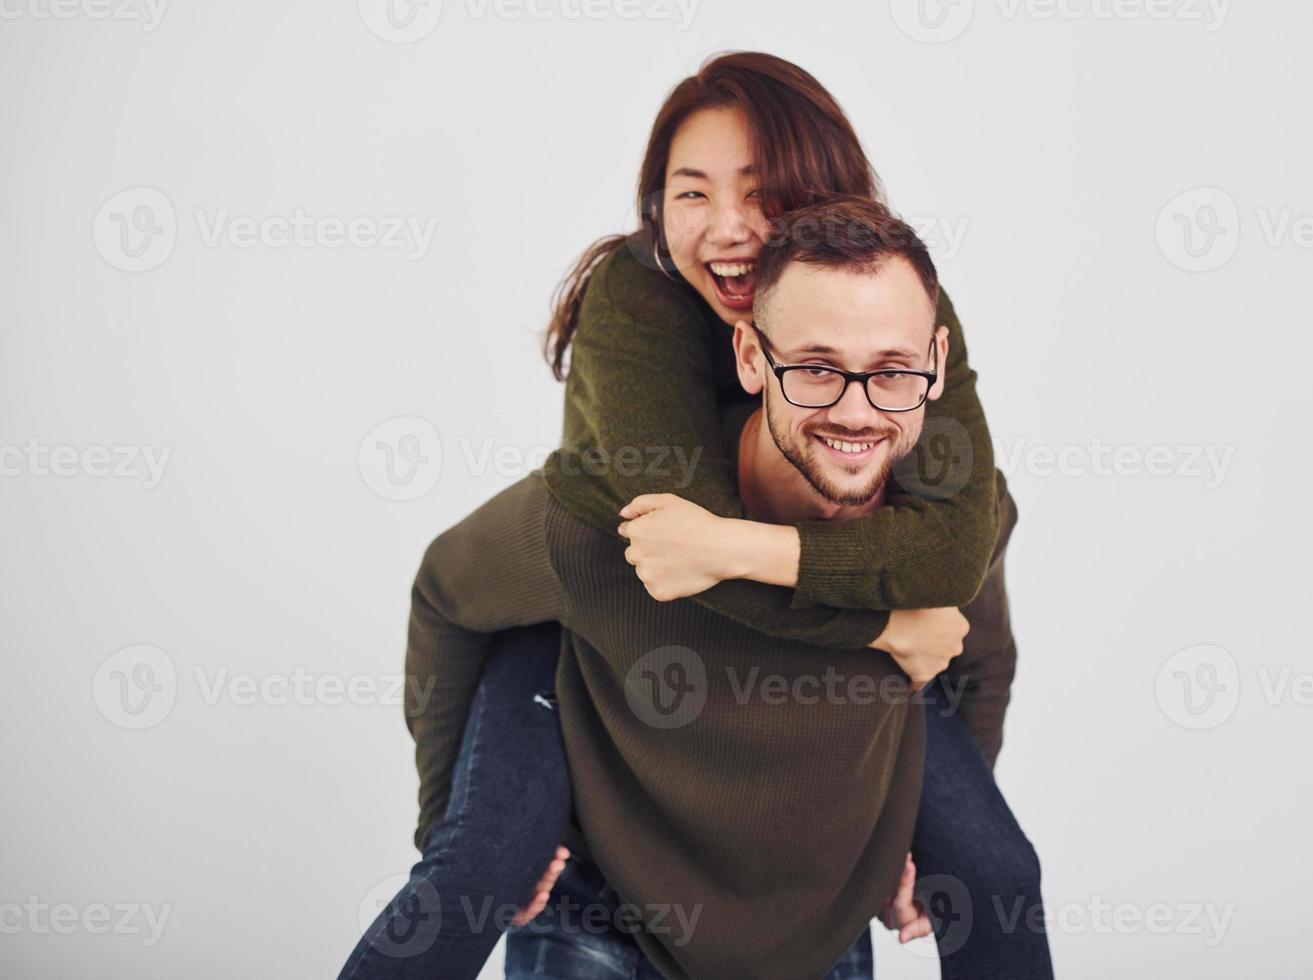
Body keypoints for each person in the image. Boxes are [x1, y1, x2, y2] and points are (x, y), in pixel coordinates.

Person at [339, 54, 1044, 978]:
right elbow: (681, 550)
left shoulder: (892, 317)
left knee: (997, 870)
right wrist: (884, 622)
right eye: (692, 194)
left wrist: (919, 823)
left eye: (762, 193)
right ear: (752, 358)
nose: (728, 231)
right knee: (479, 860)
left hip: (796, 750)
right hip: (615, 608)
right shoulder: (634, 325)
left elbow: (959, 569)